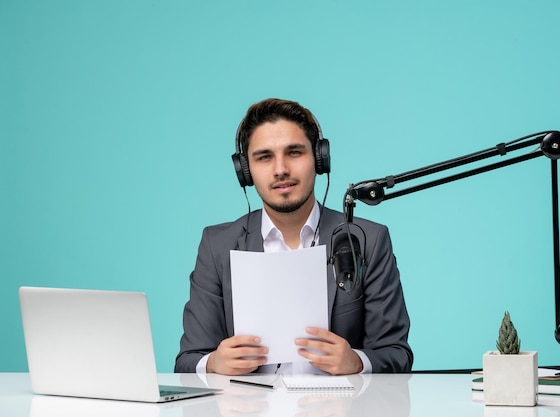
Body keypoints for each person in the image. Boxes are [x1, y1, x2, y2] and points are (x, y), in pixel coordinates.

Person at [175, 98, 412, 375]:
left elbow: (397, 354)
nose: (280, 170)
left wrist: (357, 362)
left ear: (319, 159)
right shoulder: (218, 246)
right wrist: (214, 363)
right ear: (246, 171)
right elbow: (187, 362)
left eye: (295, 153)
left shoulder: (368, 239)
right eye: (264, 157)